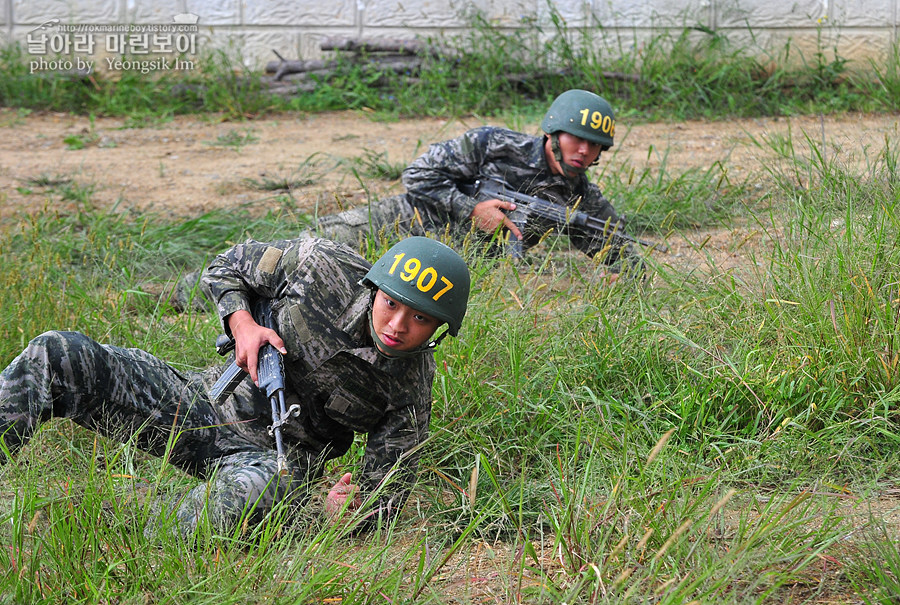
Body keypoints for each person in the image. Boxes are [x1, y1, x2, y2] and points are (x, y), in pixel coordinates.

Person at [0, 236, 470, 538]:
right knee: (58, 353)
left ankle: (117, 520)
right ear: (374, 289)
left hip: (275, 462)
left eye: (421, 318)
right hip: (202, 404)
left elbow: (382, 500)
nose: (398, 325)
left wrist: (335, 513)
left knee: (254, 496)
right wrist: (243, 324)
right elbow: (228, 264)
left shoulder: (410, 392)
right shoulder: (320, 266)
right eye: (391, 304)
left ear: (439, 330)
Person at [309, 88, 641, 271]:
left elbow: (614, 244)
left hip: (449, 266)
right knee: (314, 247)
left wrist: (627, 273)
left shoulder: (580, 198)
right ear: (552, 133)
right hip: (405, 221)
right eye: (575, 138)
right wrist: (472, 209)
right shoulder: (493, 144)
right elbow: (418, 175)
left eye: (594, 144)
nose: (583, 150)